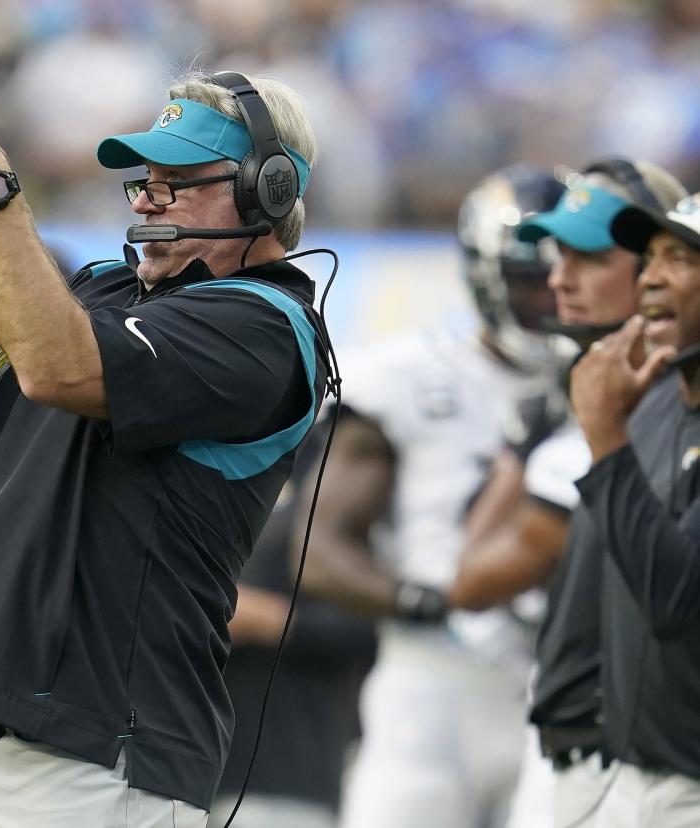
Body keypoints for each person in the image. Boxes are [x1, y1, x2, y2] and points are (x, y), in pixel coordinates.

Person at [0, 54, 328, 827]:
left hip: (95, 767)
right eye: (144, 177)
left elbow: (56, 367)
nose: (148, 196)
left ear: (266, 188)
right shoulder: (106, 285)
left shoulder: (266, 327)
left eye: (178, 178)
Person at [296, 165, 567, 828]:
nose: (557, 299)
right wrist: (431, 600)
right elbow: (320, 551)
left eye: (569, 276)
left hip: (565, 684)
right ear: (487, 274)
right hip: (436, 680)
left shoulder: (611, 380)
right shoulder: (406, 377)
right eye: (535, 281)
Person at [447, 160, 687, 828]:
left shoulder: (647, 408)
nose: (558, 280)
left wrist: (523, 451)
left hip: (628, 759)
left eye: (588, 257)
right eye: (558, 257)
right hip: (585, 749)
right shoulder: (595, 398)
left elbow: (472, 581)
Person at [568, 193, 700, 827]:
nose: (649, 277)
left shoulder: (620, 418)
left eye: (679, 257)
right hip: (624, 775)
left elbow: (674, 600)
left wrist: (603, 434)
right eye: (648, 258)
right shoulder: (655, 402)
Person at [210, 471, 377, 828]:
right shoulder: (232, 499)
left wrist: (263, 617)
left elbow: (364, 630)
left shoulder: (334, 515)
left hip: (289, 777)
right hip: (205, 766)